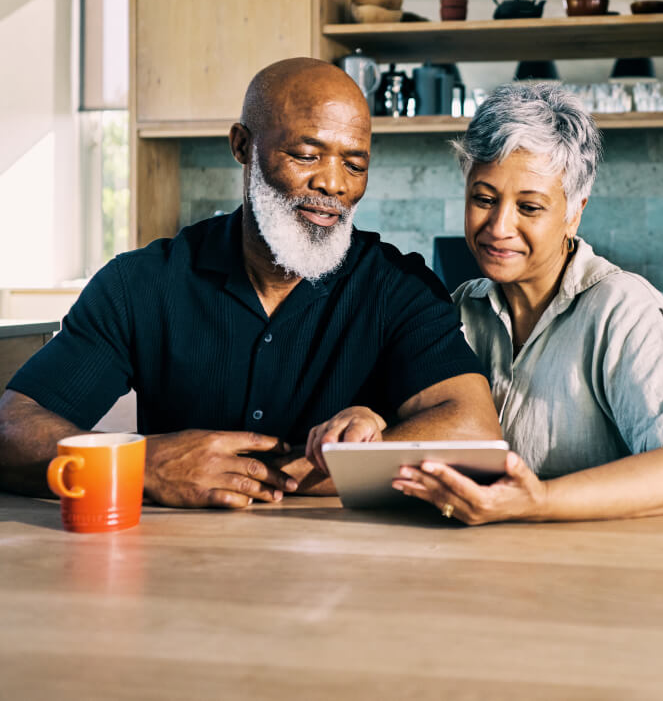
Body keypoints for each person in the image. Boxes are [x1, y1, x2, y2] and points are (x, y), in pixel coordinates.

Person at [0, 57, 501, 508]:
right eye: (307, 155)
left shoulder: (398, 286)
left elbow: (473, 430)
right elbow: (12, 427)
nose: (333, 184)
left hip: (350, 576)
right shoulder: (140, 285)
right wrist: (142, 465)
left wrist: (332, 466)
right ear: (243, 145)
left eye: (354, 164)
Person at [389, 82, 663, 524]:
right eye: (483, 199)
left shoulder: (620, 307)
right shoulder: (457, 311)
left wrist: (538, 501)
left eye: (529, 207)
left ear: (574, 212)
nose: (499, 226)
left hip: (604, 569)